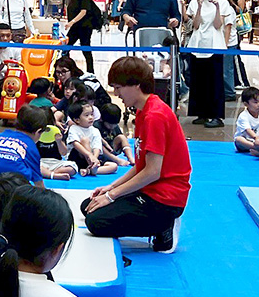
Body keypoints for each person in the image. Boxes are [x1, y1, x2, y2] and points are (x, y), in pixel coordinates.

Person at [81, 56, 191, 254]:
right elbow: (141, 166)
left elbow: (153, 172)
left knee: (96, 221)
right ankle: (151, 218)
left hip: (165, 199)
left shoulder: (154, 116)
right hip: (150, 188)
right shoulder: (142, 112)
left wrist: (112, 196)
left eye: (119, 87)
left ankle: (164, 225)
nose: (116, 93)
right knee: (89, 206)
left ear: (136, 85)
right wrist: (111, 187)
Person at [186, 0, 232, 128]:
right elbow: (196, 25)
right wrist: (199, 7)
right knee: (198, 80)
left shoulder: (223, 2)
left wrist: (217, 7)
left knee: (215, 81)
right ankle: (201, 113)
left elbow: (218, 25)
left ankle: (217, 115)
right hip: (197, 43)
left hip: (215, 44)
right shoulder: (195, 1)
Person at [0, 105, 47, 186]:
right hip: (13, 189)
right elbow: (38, 182)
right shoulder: (30, 146)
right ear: (38, 131)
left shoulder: (2, 136)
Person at [66, 101, 117, 176]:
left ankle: (90, 170)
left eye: (92, 114)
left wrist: (95, 158)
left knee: (113, 166)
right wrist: (89, 155)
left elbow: (97, 146)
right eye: (86, 115)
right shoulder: (74, 128)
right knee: (85, 140)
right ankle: (91, 167)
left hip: (93, 158)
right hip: (78, 158)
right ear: (77, 119)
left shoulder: (95, 130)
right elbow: (75, 143)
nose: (91, 117)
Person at [65, 0, 97, 73]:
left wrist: (72, 22)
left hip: (84, 27)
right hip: (75, 27)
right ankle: (67, 69)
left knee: (86, 49)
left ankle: (90, 72)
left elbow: (83, 12)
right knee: (66, 47)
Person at [234, 86, 259, 154]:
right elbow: (248, 130)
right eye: (255, 102)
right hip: (248, 142)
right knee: (239, 140)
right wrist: (256, 138)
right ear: (246, 104)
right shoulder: (243, 116)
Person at [95, 103, 136, 167]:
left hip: (112, 149)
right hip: (101, 153)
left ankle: (131, 158)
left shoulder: (115, 126)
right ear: (102, 119)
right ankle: (117, 160)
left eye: (115, 124)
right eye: (110, 125)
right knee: (99, 144)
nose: (112, 127)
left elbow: (121, 139)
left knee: (122, 137)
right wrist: (116, 159)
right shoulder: (96, 126)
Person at [227, 0, 249, 90]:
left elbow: (240, 10)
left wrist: (230, 0)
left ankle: (242, 81)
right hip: (230, 27)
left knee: (236, 55)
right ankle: (236, 80)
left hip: (235, 27)